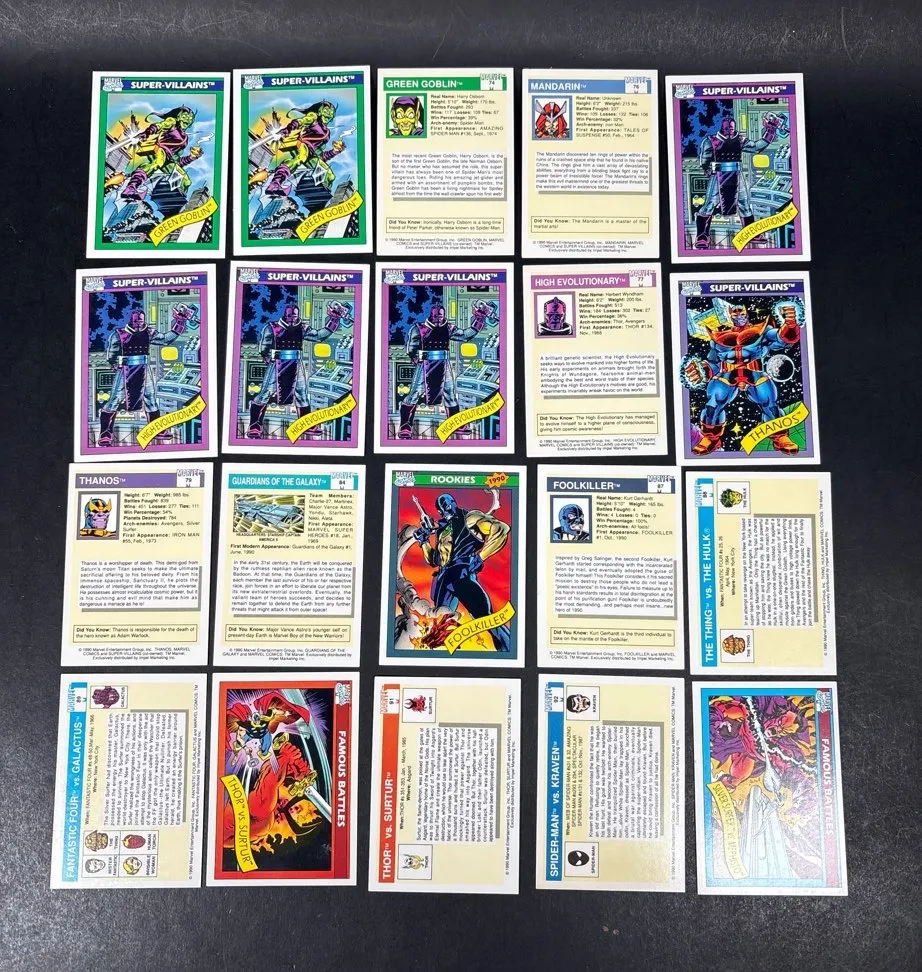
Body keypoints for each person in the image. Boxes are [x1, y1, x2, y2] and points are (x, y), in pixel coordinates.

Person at [413, 493, 511, 651]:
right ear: (439, 512)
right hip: (444, 580)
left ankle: (508, 649)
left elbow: (501, 529)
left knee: (486, 619)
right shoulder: (442, 531)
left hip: (462, 575)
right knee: (440, 626)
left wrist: (481, 556)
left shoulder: (470, 518)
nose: (446, 507)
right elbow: (436, 560)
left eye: (448, 502)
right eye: (442, 506)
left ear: (454, 502)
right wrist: (424, 542)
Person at [247, 302, 344, 439]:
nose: (292, 318)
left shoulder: (303, 328)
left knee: (302, 394)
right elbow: (264, 346)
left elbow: (319, 336)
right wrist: (266, 356)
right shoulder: (272, 327)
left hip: (296, 364)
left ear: (298, 315)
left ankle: (307, 424)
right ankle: (255, 425)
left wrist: (334, 320)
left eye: (294, 316)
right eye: (289, 316)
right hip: (277, 364)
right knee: (265, 393)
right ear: (284, 315)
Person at [97, 307, 189, 446]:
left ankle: (157, 429)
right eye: (136, 321)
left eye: (140, 321)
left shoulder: (149, 332)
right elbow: (111, 354)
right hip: (125, 370)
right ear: (131, 320)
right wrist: (114, 363)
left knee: (151, 399)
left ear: (144, 320)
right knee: (114, 400)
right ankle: (105, 433)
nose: (138, 323)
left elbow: (165, 339)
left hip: (144, 369)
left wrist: (180, 322)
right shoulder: (118, 334)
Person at [694, 112, 786, 249]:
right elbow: (704, 159)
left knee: (744, 203)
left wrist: (770, 131)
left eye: (731, 128)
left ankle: (751, 234)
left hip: (737, 175)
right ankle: (702, 236)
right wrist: (707, 169)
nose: (729, 130)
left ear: (734, 128)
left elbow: (756, 146)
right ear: (722, 128)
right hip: (718, 175)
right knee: (709, 205)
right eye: (726, 128)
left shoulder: (741, 140)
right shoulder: (711, 141)